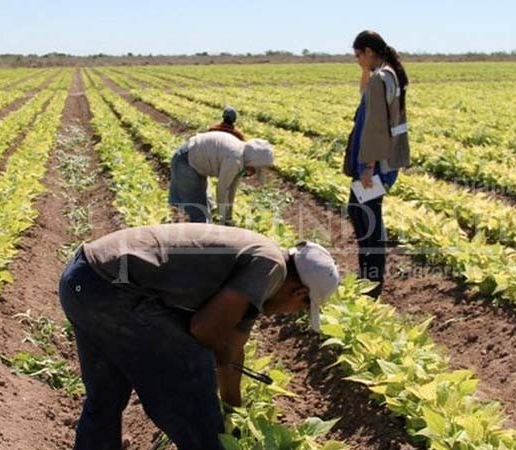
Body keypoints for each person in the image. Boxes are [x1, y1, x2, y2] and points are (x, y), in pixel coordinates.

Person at [58, 223, 340, 450]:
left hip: (83, 281)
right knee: (193, 372)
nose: (291, 314)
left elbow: (233, 347)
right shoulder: (270, 267)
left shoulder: (263, 264)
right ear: (300, 294)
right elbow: (204, 331)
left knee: (106, 396)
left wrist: (233, 412)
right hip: (111, 291)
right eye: (302, 309)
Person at [343, 30, 410, 298]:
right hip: (384, 162)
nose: (357, 60)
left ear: (369, 52)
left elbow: (376, 128)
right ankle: (370, 276)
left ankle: (371, 281)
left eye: (358, 55)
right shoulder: (387, 74)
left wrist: (368, 167)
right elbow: (366, 96)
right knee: (363, 212)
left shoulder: (382, 77)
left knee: (366, 217)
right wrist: (365, 69)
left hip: (377, 165)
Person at [168, 126, 273, 225]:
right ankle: (199, 241)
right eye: (254, 170)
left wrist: (228, 217)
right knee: (200, 213)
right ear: (252, 162)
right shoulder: (234, 159)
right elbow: (222, 189)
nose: (251, 175)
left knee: (207, 206)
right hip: (186, 161)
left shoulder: (241, 156)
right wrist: (223, 220)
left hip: (195, 162)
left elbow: (232, 189)